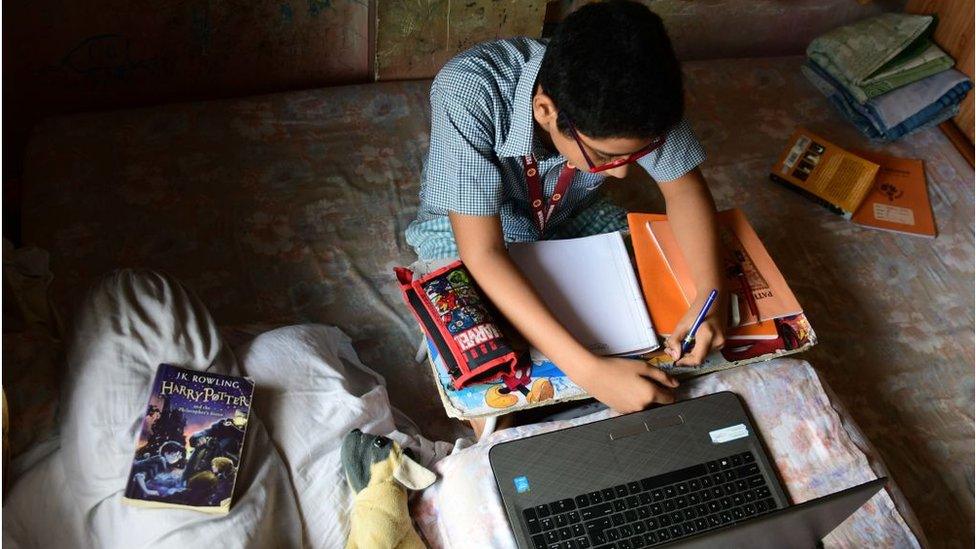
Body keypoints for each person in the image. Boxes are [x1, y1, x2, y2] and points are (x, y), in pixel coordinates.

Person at [405, 0, 727, 413]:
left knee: (650, 304)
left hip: (569, 212)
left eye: (637, 156)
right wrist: (589, 372)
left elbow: (684, 191)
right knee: (495, 351)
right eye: (605, 157)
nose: (624, 176)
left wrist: (709, 298)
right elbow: (482, 252)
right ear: (545, 111)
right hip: (474, 224)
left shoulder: (647, 92)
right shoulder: (468, 90)